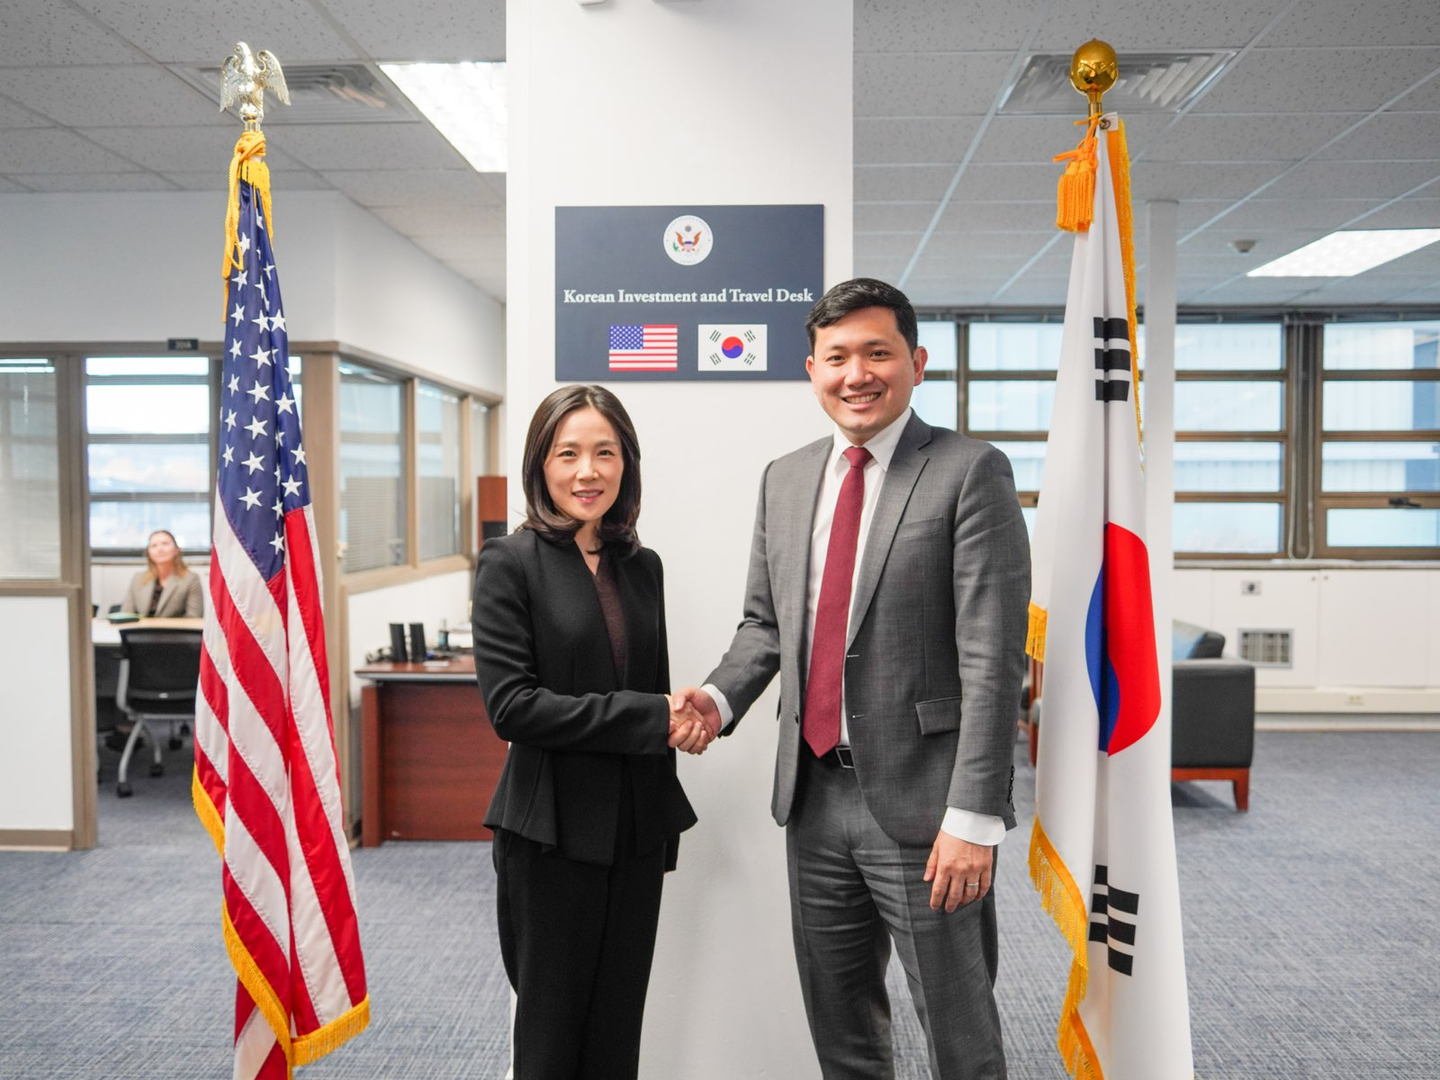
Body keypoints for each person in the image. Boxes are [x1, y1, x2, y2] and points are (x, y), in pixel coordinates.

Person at [676, 278, 1031, 1079]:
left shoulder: (970, 472)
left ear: (917, 363)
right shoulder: (787, 476)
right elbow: (767, 625)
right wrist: (719, 695)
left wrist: (975, 813)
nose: (856, 374)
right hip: (813, 800)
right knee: (842, 1030)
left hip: (930, 808)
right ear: (812, 369)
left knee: (959, 1032)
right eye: (837, 357)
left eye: (878, 352)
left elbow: (992, 655)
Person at [471, 384, 709, 1080]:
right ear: (540, 466)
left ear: (626, 465)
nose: (587, 471)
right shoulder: (509, 563)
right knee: (550, 1042)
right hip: (550, 833)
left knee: (615, 1035)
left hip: (635, 830)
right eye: (567, 453)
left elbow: (651, 695)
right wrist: (651, 714)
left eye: (605, 453)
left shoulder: (643, 567)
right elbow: (512, 708)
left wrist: (681, 721)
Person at [119, 529, 204, 618]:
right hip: (142, 631)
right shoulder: (138, 578)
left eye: (165, 544)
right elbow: (127, 614)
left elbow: (194, 617)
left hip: (175, 631)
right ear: (149, 553)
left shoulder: (191, 579)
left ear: (176, 550)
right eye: (154, 545)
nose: (160, 549)